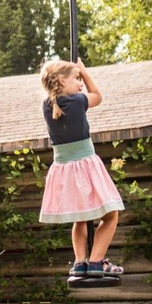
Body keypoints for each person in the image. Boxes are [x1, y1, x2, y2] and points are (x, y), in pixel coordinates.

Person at [37, 59, 125, 278]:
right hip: (85, 166)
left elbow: (62, 97)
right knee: (111, 215)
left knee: (80, 217)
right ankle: (96, 262)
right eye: (76, 79)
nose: (81, 84)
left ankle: (79, 262)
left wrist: (76, 74)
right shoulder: (76, 101)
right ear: (60, 80)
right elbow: (98, 96)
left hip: (63, 169)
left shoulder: (47, 106)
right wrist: (85, 72)